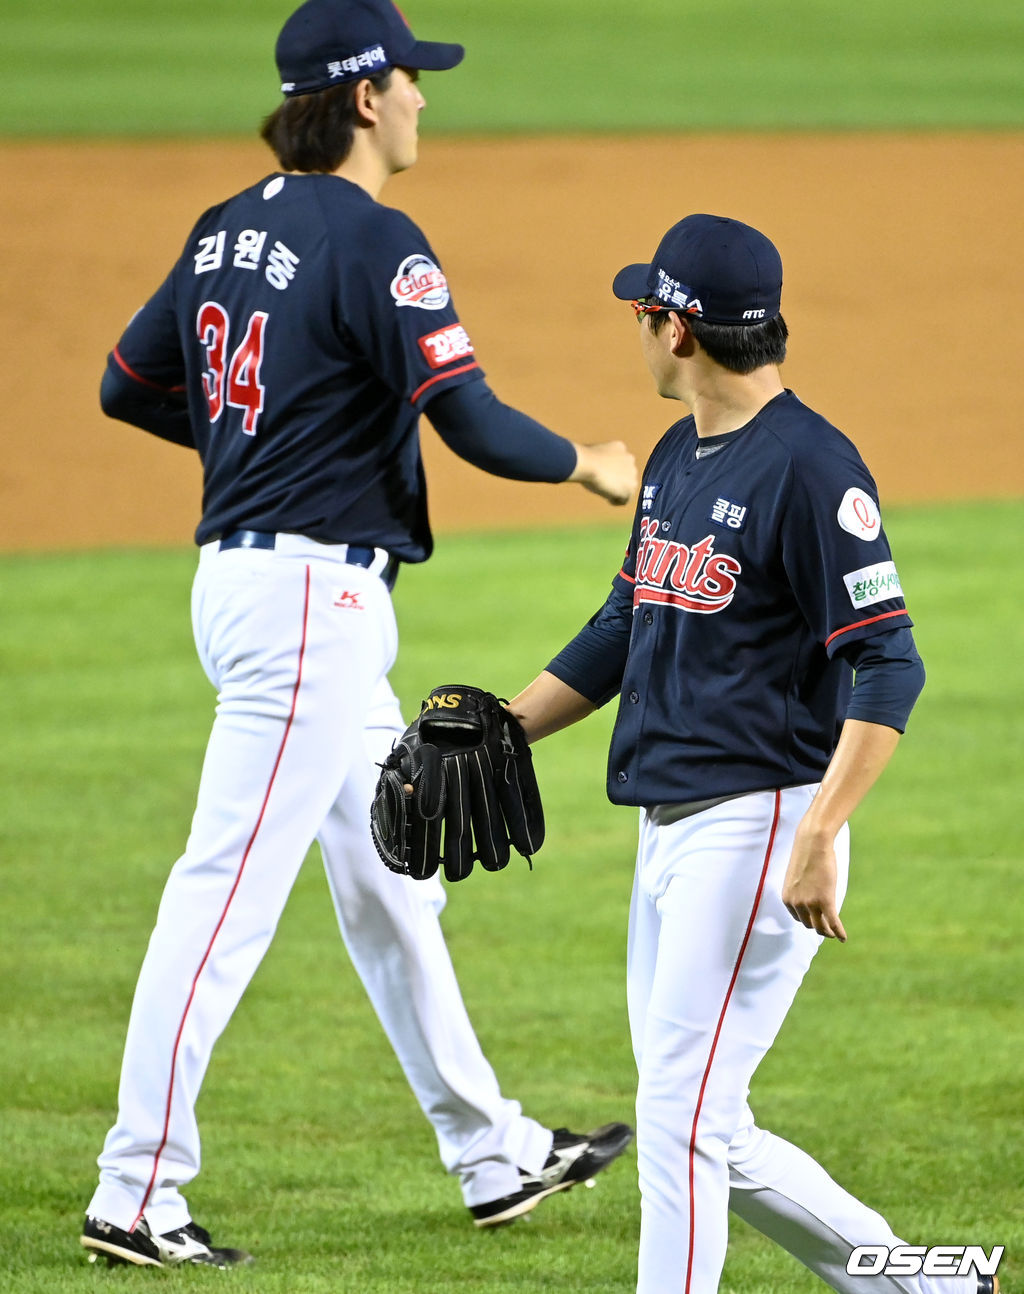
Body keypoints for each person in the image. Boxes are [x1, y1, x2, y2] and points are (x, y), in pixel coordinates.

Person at [79, 0, 636, 1270]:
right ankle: (136, 1187)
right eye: (410, 79)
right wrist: (591, 467)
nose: (426, 98)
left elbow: (127, 384)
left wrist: (251, 442)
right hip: (309, 614)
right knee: (219, 901)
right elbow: (476, 421)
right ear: (363, 96)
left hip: (253, 594)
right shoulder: (380, 240)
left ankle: (492, 1151)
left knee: (394, 876)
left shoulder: (224, 229)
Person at [507, 214, 997, 1294]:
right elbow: (622, 624)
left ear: (677, 329)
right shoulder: (681, 452)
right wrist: (507, 727)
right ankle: (928, 1282)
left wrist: (820, 831)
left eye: (644, 312)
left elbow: (889, 662)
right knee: (708, 1124)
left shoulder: (814, 468)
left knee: (676, 1116)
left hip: (762, 824)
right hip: (672, 829)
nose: (635, 330)